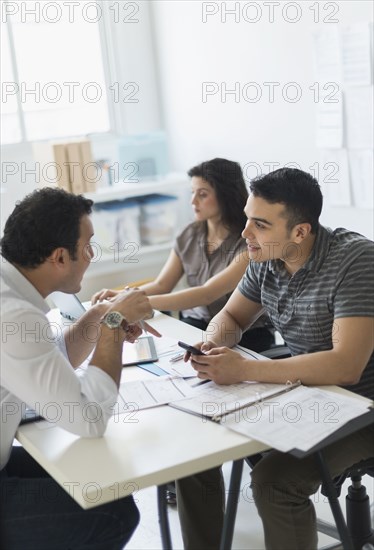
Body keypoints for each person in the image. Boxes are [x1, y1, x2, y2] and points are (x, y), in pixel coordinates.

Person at [178, 167, 374, 550]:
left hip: (363, 408)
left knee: (273, 484)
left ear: (300, 232)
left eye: (260, 225)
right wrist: (212, 344)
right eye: (248, 220)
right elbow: (232, 317)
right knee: (192, 455)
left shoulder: (357, 261)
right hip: (307, 395)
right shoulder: (265, 256)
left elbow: (345, 366)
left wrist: (245, 369)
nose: (246, 233)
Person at [0, 187, 160, 550]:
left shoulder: (10, 295)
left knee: (99, 477)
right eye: (87, 246)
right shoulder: (13, 315)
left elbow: (50, 360)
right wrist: (113, 326)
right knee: (114, 512)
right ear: (59, 257)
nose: (91, 255)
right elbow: (88, 418)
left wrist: (101, 315)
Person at [92, 158, 275, 353]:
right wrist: (123, 296)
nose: (193, 201)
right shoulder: (189, 234)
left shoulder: (249, 243)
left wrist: (131, 304)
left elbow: (207, 293)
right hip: (195, 324)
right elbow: (162, 285)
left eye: (202, 194)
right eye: (192, 193)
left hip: (244, 334)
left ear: (226, 196)